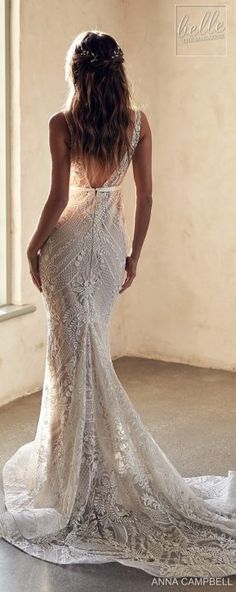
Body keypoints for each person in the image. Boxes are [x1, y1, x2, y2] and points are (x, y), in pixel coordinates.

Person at [0, 30, 236, 578]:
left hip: (68, 246)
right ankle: (84, 468)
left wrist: (32, 249)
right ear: (116, 72)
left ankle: (73, 476)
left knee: (70, 361)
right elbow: (147, 195)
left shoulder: (63, 124)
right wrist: (133, 256)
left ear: (78, 73)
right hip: (107, 248)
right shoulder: (136, 122)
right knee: (89, 355)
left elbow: (60, 198)